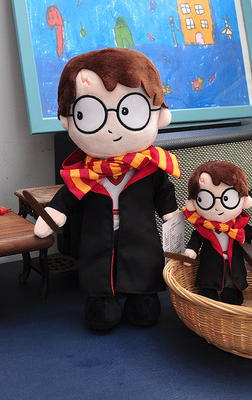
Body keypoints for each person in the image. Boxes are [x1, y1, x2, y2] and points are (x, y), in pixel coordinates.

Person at [34, 48, 180, 331]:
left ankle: (142, 295)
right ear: (68, 119)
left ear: (159, 115)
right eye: (91, 114)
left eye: (128, 111)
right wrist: (52, 215)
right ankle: (102, 299)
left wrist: (172, 217)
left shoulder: (150, 168)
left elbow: (164, 195)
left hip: (140, 234)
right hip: (96, 235)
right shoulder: (84, 174)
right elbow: (67, 198)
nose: (112, 128)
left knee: (143, 261)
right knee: (97, 264)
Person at [182, 161, 252, 305]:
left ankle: (231, 290)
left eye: (226, 199)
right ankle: (209, 289)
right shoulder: (203, 228)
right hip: (210, 261)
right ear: (194, 202)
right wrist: (190, 252)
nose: (218, 207)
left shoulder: (238, 226)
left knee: (232, 278)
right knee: (209, 275)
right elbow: (195, 240)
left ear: (243, 200)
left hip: (233, 260)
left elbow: (251, 235)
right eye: (207, 200)